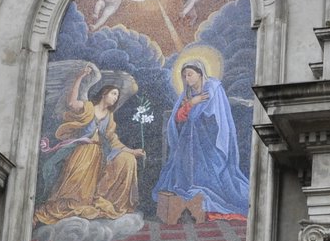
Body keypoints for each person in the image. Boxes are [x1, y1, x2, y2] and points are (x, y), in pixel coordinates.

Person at [34, 68, 143, 225]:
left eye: (117, 96)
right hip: (81, 151)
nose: (116, 98)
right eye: (113, 94)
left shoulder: (109, 118)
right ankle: (57, 208)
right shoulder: (88, 108)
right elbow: (71, 102)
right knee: (73, 184)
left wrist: (132, 151)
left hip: (98, 155)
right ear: (104, 93)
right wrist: (79, 76)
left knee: (127, 160)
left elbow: (113, 141)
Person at [153, 60, 251, 225]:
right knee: (181, 168)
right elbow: (177, 119)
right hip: (189, 142)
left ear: (200, 73)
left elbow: (215, 117)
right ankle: (189, 202)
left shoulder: (213, 88)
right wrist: (191, 103)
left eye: (190, 74)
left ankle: (209, 200)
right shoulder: (187, 95)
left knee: (215, 176)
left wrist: (194, 110)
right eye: (184, 76)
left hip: (210, 143)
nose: (187, 79)